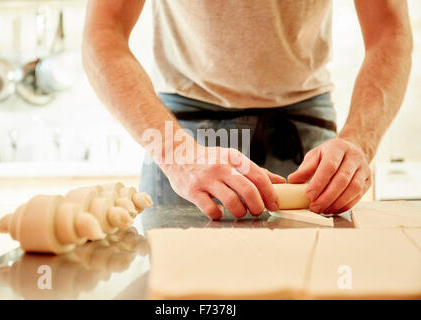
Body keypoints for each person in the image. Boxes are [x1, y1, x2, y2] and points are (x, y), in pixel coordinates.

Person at [82, 0, 412, 220]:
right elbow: (103, 33)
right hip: (184, 137)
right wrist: (174, 151)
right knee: (178, 285)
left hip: (305, 134)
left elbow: (389, 31)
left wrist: (360, 142)